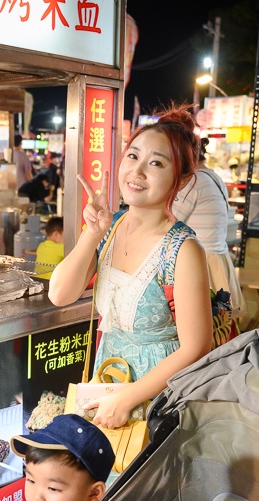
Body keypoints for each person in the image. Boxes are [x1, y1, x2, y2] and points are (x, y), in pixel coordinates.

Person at [48, 106, 213, 429]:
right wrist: (91, 233)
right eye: (133, 156)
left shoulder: (183, 249)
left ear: (180, 180)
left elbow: (196, 346)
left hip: (158, 395)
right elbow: (59, 294)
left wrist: (129, 397)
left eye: (156, 163)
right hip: (108, 374)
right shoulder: (112, 227)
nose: (137, 172)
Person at [172, 137, 245, 315]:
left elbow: (167, 223)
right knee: (219, 326)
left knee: (198, 324)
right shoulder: (214, 177)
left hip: (200, 262)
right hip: (217, 259)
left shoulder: (193, 182)